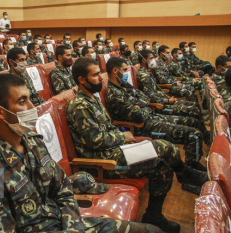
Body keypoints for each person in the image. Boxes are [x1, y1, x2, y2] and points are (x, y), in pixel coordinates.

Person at [0, 73, 162, 233]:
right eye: (22, 101)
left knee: (151, 230)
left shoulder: (33, 141)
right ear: (0, 112)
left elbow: (62, 187)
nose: (32, 107)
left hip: (67, 223)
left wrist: (73, 224)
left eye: (30, 99)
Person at [67, 57, 208, 233]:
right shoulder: (79, 105)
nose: (101, 78)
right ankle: (186, 174)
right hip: (102, 160)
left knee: (162, 165)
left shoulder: (92, 99)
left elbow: (108, 128)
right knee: (165, 147)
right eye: (95, 75)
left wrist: (121, 136)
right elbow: (95, 141)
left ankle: (154, 215)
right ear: (81, 79)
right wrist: (122, 137)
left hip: (115, 150)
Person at [106, 56, 209, 171]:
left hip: (152, 117)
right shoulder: (114, 94)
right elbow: (138, 116)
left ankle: (193, 164)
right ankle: (191, 171)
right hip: (143, 127)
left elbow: (145, 97)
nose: (127, 73)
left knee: (193, 121)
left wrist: (139, 105)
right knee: (193, 134)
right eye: (125, 70)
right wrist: (142, 106)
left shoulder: (124, 85)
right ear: (115, 71)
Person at [137, 50, 206, 122]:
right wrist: (168, 101)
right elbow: (149, 96)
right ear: (143, 60)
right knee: (194, 110)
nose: (154, 60)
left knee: (194, 105)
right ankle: (202, 127)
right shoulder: (144, 76)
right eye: (151, 58)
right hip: (160, 105)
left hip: (164, 99)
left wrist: (168, 98)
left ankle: (202, 122)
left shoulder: (148, 72)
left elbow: (155, 90)